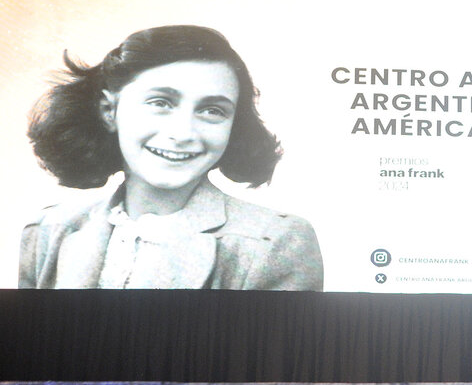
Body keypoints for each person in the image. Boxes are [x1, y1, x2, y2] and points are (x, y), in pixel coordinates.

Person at [19, 25, 323, 290]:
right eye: (161, 102)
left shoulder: (275, 242)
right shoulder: (48, 231)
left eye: (212, 110)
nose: (183, 133)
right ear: (109, 111)